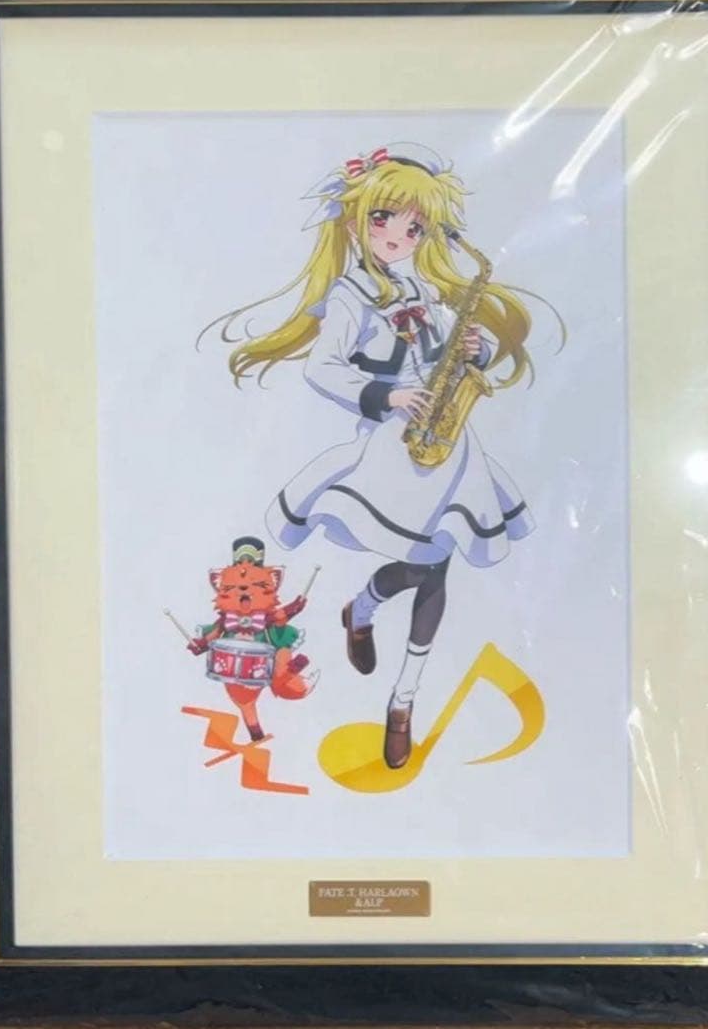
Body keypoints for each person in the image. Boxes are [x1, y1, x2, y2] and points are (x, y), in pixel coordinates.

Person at [205, 142, 538, 769]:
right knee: (424, 567)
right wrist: (389, 395)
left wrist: (476, 348)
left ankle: (401, 696)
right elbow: (322, 369)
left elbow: (456, 348)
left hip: (450, 439)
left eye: (414, 226)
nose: (398, 236)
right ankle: (364, 614)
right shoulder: (350, 296)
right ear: (358, 221)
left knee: (436, 568)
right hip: (395, 442)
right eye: (384, 219)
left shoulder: (427, 288)